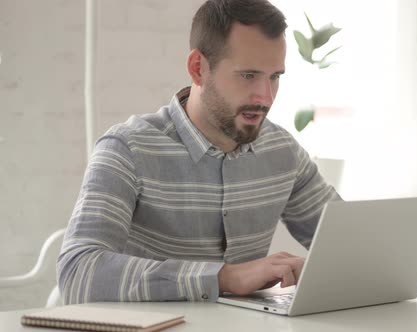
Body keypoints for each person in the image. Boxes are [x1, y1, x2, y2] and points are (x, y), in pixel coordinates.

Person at [57, 0, 339, 304]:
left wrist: (312, 268)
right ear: (198, 68)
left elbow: (353, 245)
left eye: (275, 76)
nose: (265, 96)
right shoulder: (128, 149)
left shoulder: (283, 152)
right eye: (248, 75)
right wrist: (224, 277)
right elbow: (78, 273)